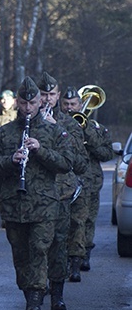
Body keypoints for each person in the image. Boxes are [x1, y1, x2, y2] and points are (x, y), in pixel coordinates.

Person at [0, 77, 72, 310]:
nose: (28, 108)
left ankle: (34, 303)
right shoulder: (4, 133)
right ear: (17, 102)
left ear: (39, 102)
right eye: (23, 102)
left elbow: (67, 163)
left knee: (39, 250)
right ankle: (29, 295)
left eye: (32, 102)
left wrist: (40, 150)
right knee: (21, 255)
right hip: (14, 205)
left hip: (45, 206)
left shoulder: (54, 131)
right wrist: (10, 160)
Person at [37, 72, 87, 310]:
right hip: (34, 195)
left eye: (51, 94)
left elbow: (80, 162)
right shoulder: (26, 122)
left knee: (58, 244)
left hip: (60, 194)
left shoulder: (70, 123)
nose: (47, 99)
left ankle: (57, 292)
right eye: (43, 94)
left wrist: (57, 130)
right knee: (36, 245)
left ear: (57, 96)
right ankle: (36, 289)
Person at [60, 86, 114, 273]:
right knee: (68, 221)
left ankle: (84, 255)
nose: (69, 108)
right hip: (65, 180)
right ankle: (69, 256)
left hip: (90, 180)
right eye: (65, 104)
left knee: (87, 220)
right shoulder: (56, 124)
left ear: (81, 104)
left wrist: (85, 133)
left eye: (73, 104)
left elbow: (107, 153)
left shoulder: (95, 128)